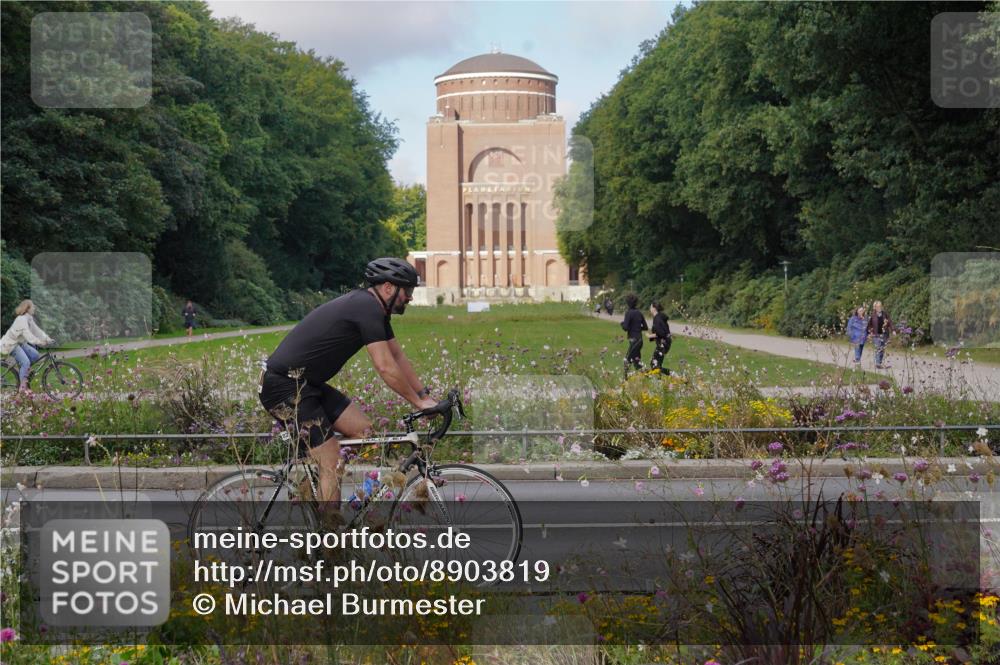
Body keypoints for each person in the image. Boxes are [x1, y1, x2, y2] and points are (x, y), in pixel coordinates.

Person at [258, 258, 437, 524]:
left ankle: (325, 485)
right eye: (407, 290)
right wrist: (417, 404)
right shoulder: (366, 307)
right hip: (283, 385)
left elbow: (397, 356)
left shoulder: (374, 308)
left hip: (308, 385)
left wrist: (423, 397)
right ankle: (331, 543)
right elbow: (385, 367)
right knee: (331, 460)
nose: (410, 297)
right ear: (388, 287)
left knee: (364, 433)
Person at [1, 300, 55, 392]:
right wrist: (41, 342)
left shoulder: (29, 318)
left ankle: (24, 371)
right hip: (11, 344)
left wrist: (47, 338)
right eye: (33, 306)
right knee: (25, 362)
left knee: (35, 355)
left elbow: (37, 331)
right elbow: (28, 336)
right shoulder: (21, 320)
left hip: (20, 343)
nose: (34, 308)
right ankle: (22, 389)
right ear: (27, 308)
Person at [620, 293, 647, 375]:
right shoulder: (639, 313)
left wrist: (622, 324)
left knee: (627, 361)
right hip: (640, 341)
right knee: (636, 362)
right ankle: (646, 376)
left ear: (628, 303)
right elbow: (645, 327)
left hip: (634, 341)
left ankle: (625, 381)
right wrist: (637, 328)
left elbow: (625, 327)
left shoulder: (629, 313)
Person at [867, 300, 893, 369]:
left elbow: (890, 322)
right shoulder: (872, 315)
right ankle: (877, 363)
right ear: (875, 307)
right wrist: (870, 332)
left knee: (882, 349)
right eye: (877, 306)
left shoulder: (885, 314)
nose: (879, 307)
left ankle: (880, 363)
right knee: (878, 348)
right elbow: (869, 325)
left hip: (884, 334)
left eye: (880, 306)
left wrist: (893, 330)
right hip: (876, 335)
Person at [648, 302, 672, 374]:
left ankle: (674, 375)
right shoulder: (659, 317)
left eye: (651, 307)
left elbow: (661, 333)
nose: (650, 308)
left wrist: (650, 336)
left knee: (654, 364)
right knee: (656, 365)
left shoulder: (657, 318)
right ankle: (660, 381)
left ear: (654, 308)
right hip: (665, 343)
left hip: (663, 344)